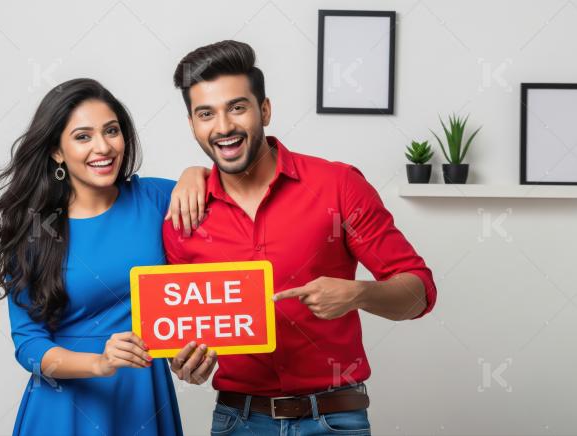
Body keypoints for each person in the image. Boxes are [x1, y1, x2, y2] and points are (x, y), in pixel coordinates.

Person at [163, 40, 438, 435]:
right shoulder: (183, 216)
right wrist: (186, 364)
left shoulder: (338, 186)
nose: (222, 127)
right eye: (206, 114)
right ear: (192, 125)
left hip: (334, 419)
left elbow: (420, 294)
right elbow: (184, 334)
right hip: (238, 422)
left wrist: (358, 293)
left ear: (265, 110)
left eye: (237, 108)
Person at [0, 78, 208, 436]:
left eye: (111, 131)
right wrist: (100, 363)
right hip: (64, 409)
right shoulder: (36, 229)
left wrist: (196, 173)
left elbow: (232, 198)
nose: (103, 147)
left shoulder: (156, 199)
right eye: (83, 136)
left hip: (145, 398)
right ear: (56, 151)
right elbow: (28, 343)